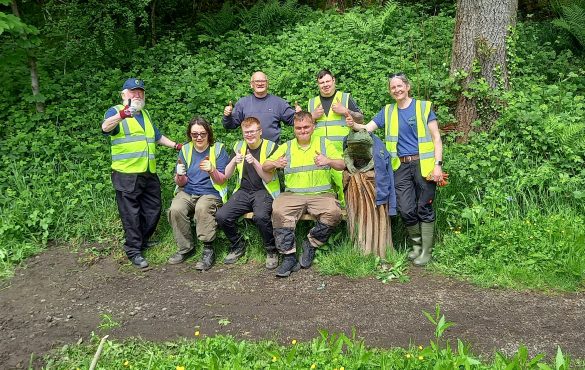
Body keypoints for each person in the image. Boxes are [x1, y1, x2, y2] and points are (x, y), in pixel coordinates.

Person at [348, 73, 443, 266]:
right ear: (390, 91)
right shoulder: (388, 111)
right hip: (400, 166)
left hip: (424, 165)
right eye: (393, 87)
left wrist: (438, 165)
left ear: (407, 87)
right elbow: (368, 128)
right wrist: (353, 124)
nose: (397, 90)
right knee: (406, 208)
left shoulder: (422, 107)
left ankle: (426, 251)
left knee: (423, 207)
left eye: (400, 86)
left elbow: (436, 139)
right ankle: (416, 247)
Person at [101, 78, 182, 269]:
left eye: (140, 92)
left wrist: (176, 146)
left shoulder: (144, 114)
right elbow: (105, 127)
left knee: (153, 209)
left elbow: (156, 136)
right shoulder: (115, 111)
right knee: (131, 214)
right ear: (124, 94)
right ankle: (133, 250)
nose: (137, 95)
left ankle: (143, 241)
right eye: (133, 91)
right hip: (126, 173)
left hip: (147, 171)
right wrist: (123, 114)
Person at [262, 111, 346, 278]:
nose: (303, 130)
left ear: (313, 127)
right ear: (294, 129)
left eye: (306, 127)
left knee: (334, 212)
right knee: (278, 210)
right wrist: (275, 163)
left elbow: (343, 164)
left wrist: (328, 161)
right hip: (293, 195)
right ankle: (289, 257)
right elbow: (265, 166)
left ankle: (311, 244)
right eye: (298, 128)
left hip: (321, 194)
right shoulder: (287, 146)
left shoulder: (324, 143)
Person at [215, 117, 281, 269]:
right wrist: (233, 161)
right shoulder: (238, 146)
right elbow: (227, 174)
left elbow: (268, 177)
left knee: (261, 217)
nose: (249, 135)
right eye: (246, 132)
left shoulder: (271, 147)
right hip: (243, 191)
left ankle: (271, 250)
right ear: (242, 133)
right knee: (222, 216)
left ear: (260, 132)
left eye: (252, 132)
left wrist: (254, 162)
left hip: (264, 190)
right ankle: (238, 245)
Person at [167, 117, 229, 271]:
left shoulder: (219, 149)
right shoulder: (186, 149)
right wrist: (179, 176)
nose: (199, 137)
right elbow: (180, 183)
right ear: (190, 135)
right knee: (175, 208)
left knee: (202, 207)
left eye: (202, 133)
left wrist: (212, 170)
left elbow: (222, 180)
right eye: (195, 134)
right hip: (187, 190)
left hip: (211, 192)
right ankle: (186, 248)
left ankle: (208, 249)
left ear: (208, 133)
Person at [307, 69, 364, 205]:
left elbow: (361, 119)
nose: (325, 85)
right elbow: (304, 127)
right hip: (319, 156)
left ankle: (350, 221)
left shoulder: (345, 98)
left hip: (342, 155)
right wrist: (312, 116)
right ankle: (328, 221)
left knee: (346, 192)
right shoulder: (312, 103)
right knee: (323, 193)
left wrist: (346, 111)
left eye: (328, 81)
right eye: (322, 82)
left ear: (333, 81)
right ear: (318, 84)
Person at [223, 71, 298, 143]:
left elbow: (293, 121)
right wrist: (227, 116)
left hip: (273, 150)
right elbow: (230, 125)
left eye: (263, 81)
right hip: (250, 150)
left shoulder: (279, 103)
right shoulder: (243, 103)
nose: (260, 83)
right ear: (251, 84)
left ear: (267, 84)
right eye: (257, 81)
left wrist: (299, 115)